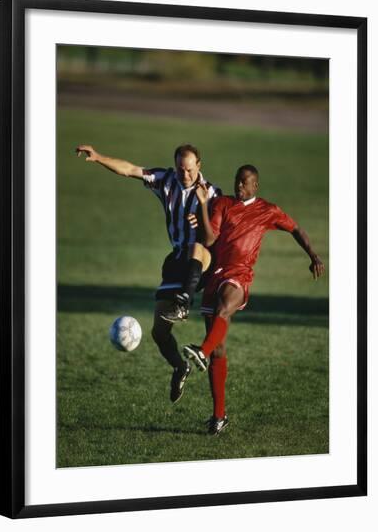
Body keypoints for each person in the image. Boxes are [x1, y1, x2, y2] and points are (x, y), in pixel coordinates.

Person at [181, 164, 324, 435]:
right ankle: (219, 416)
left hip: (240, 275)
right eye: (237, 180)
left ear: (255, 186)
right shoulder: (222, 204)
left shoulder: (268, 210)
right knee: (219, 349)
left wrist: (313, 255)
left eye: (245, 182)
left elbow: (295, 229)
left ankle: (201, 351)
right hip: (216, 276)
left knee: (224, 309)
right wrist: (202, 204)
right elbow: (210, 238)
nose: (239, 186)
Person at [75, 143, 221, 403]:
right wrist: (98, 157)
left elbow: (219, 234)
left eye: (189, 169)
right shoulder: (166, 180)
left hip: (205, 260)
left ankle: (184, 304)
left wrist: (203, 220)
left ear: (199, 166)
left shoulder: (212, 194)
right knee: (159, 333)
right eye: (180, 169)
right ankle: (179, 367)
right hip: (178, 260)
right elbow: (130, 169)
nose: (184, 175)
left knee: (196, 246)